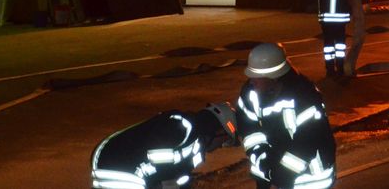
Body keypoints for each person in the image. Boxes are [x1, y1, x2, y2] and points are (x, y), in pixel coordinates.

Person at [236, 43, 336, 189]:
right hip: (272, 173)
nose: (252, 80)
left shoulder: (305, 96)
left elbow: (306, 143)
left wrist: (279, 177)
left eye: (257, 76)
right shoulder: (249, 93)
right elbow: (250, 132)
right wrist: (263, 163)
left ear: (273, 77)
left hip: (311, 179)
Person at [90, 102, 237, 188]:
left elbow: (174, 176)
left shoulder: (194, 145)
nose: (221, 146)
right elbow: (152, 155)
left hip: (122, 166)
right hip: (118, 166)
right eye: (225, 141)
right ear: (220, 129)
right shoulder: (182, 125)